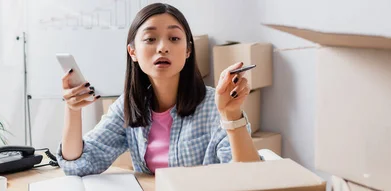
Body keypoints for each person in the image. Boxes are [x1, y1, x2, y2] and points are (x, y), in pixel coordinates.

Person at [57, 3, 260, 176]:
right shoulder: (129, 105)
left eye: (174, 38)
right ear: (133, 52)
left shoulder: (213, 105)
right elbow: (78, 165)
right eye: (150, 39)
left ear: (188, 50)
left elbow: (249, 177)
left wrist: (231, 114)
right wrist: (73, 111)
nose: (163, 47)